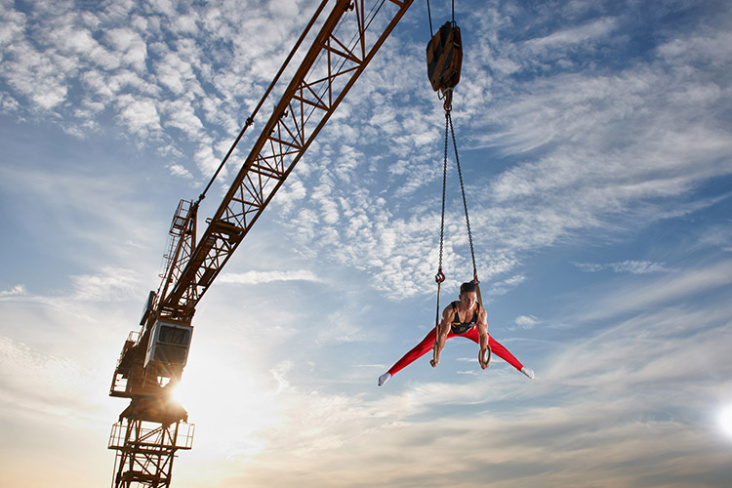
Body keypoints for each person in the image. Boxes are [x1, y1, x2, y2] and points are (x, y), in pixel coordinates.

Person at [378, 281, 534, 386]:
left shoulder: (481, 312)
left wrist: (482, 358)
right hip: (451, 329)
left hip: (472, 330)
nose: (470, 303)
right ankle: (390, 373)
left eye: (473, 299)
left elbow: (483, 336)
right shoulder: (450, 311)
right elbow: (442, 336)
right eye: (467, 299)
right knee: (421, 348)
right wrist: (437, 357)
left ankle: (521, 368)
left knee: (496, 347)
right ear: (460, 298)